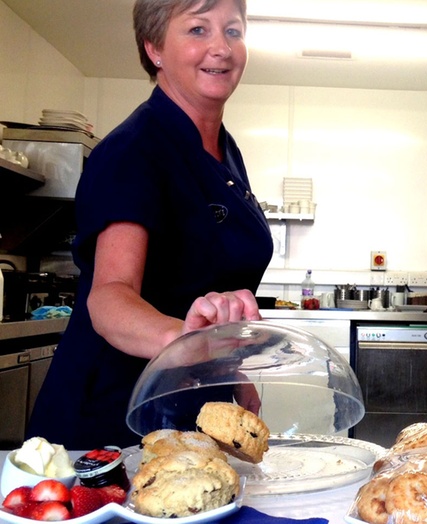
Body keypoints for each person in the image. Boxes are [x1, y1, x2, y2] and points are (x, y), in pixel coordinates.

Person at [27, 0, 272, 450]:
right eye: (198, 29)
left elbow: (210, 287)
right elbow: (109, 297)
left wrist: (230, 372)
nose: (221, 47)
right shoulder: (136, 149)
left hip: (188, 403)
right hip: (115, 417)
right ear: (154, 47)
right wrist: (186, 342)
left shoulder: (223, 150)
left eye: (233, 31)